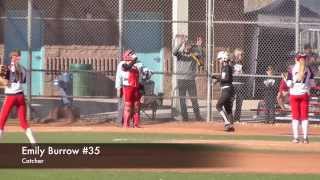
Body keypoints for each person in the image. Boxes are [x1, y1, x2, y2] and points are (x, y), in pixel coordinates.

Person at [0, 49, 36, 144]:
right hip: (20, 96)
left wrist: (1, 77)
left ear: (12, 57)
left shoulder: (5, 68)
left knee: (2, 121)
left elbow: (5, 83)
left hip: (11, 96)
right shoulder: (22, 68)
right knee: (23, 122)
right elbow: (22, 81)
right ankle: (34, 144)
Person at [115, 49, 151, 128]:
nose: (134, 55)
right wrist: (118, 87)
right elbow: (126, 68)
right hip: (127, 87)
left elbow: (143, 74)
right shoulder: (122, 64)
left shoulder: (138, 64)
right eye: (131, 54)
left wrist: (148, 72)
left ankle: (136, 124)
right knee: (127, 106)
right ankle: (126, 124)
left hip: (136, 87)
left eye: (133, 54)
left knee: (136, 106)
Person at [285, 53, 316, 144]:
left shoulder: (292, 68)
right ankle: (305, 138)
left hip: (294, 95)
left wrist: (287, 80)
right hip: (304, 94)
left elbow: (289, 84)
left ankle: (296, 138)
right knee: (304, 117)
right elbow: (313, 84)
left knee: (295, 117)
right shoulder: (309, 69)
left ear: (296, 59)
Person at [173, 35, 204, 121]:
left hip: (190, 79)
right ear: (184, 46)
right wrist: (181, 42)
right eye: (186, 45)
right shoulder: (180, 54)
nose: (188, 47)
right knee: (182, 100)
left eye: (189, 46)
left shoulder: (194, 55)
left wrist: (199, 46)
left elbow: (201, 57)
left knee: (194, 99)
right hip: (181, 80)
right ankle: (185, 118)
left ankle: (198, 117)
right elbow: (174, 51)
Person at [212, 51, 235, 132]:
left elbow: (226, 79)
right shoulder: (225, 67)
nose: (219, 61)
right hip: (228, 89)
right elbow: (224, 78)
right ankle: (231, 127)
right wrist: (217, 79)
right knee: (228, 109)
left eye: (220, 59)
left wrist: (217, 78)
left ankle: (227, 123)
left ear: (224, 58)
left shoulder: (226, 67)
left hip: (227, 89)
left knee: (218, 106)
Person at [231, 48, 245, 122]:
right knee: (230, 101)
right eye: (239, 54)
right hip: (233, 83)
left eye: (241, 55)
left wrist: (242, 72)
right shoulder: (231, 62)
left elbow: (245, 73)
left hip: (240, 84)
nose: (241, 56)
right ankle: (229, 118)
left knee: (239, 102)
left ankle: (237, 118)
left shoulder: (242, 63)